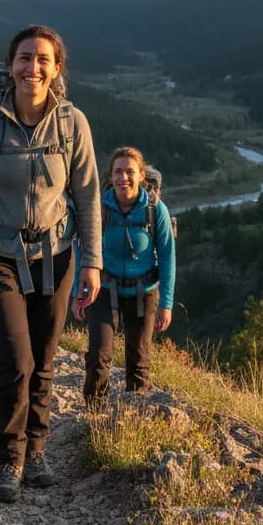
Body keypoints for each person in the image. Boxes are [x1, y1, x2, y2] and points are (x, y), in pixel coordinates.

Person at [0, 25, 102, 503]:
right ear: (10, 65)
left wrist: (91, 262)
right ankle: (7, 458)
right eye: (24, 58)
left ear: (56, 69)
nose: (32, 68)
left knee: (45, 358)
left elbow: (88, 195)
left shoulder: (73, 124)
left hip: (56, 256)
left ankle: (37, 450)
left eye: (42, 60)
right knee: (15, 359)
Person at [77, 145, 176, 406]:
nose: (123, 178)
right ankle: (94, 415)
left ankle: (134, 414)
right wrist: (81, 292)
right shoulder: (99, 209)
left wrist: (166, 303)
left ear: (142, 175)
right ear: (110, 176)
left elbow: (167, 257)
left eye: (130, 172)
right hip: (102, 289)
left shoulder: (156, 210)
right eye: (118, 172)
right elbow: (84, 249)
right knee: (99, 354)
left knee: (139, 358)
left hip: (143, 293)